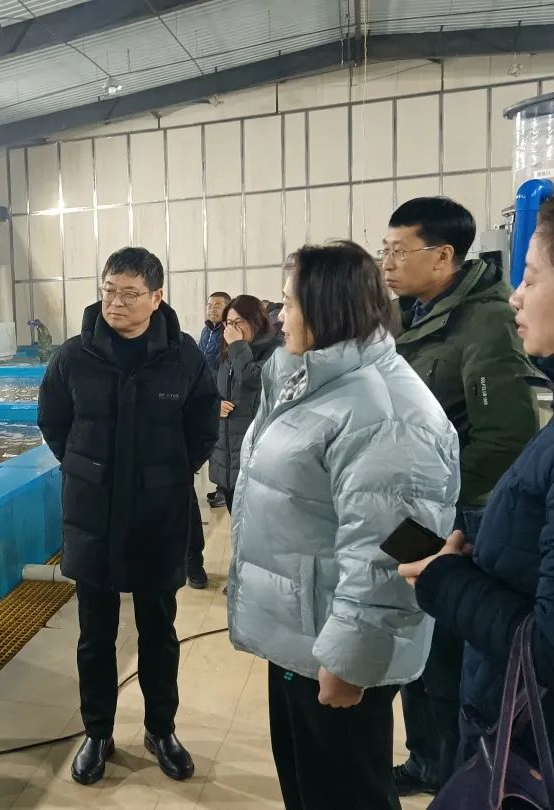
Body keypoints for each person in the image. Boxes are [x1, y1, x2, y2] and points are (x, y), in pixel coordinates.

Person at [228, 240, 460, 810]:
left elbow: (393, 550)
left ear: (326, 307)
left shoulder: (385, 411)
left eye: (289, 304)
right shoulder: (309, 381)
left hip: (335, 644)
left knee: (346, 793)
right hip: (301, 632)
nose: (279, 316)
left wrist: (351, 658)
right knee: (308, 787)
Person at [37, 247, 218, 786]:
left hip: (158, 515)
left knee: (158, 630)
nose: (116, 302)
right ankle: (97, 732)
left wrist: (166, 474)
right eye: (109, 290)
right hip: (92, 514)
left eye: (130, 293)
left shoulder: (183, 357)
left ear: (157, 297)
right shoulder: (74, 356)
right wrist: (88, 469)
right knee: (95, 635)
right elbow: (53, 422)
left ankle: (162, 730)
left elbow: (202, 428)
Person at [382, 196, 540, 796]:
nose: (388, 263)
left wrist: (438, 506)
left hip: (453, 517)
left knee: (446, 658)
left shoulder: (485, 321)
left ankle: (454, 776)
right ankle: (424, 759)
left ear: (443, 255)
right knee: (416, 647)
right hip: (416, 512)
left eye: (400, 251)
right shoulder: (413, 314)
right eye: (384, 250)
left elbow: (503, 439)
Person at [208, 294, 281, 513]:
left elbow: (255, 378)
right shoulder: (230, 350)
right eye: (229, 323)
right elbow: (217, 385)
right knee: (236, 520)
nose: (232, 328)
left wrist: (238, 345)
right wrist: (217, 404)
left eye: (238, 322)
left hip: (257, 456)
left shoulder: (275, 349)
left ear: (255, 320)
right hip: (229, 455)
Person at [199, 292, 231, 509]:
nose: (212, 309)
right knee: (213, 442)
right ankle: (220, 486)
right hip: (207, 393)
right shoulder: (206, 331)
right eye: (210, 305)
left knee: (223, 444)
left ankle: (224, 489)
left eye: (217, 305)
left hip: (222, 396)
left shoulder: (227, 333)